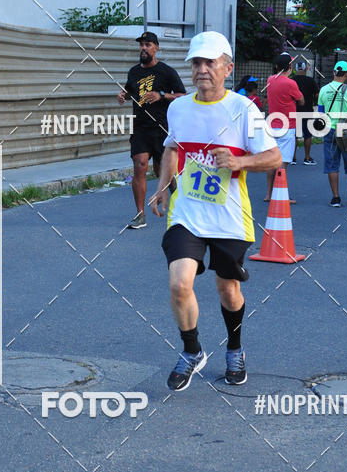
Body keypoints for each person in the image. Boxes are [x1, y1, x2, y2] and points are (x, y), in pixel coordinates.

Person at [149, 31, 281, 391]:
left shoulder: (244, 109)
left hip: (228, 216)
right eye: (196, 62)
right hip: (187, 213)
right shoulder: (178, 108)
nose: (202, 69)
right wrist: (162, 186)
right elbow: (172, 149)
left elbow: (274, 157)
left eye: (210, 62)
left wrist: (239, 160)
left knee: (228, 290)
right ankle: (192, 351)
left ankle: (235, 348)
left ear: (227, 68)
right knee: (179, 285)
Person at [118, 31, 186, 229]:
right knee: (139, 165)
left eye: (148, 45)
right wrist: (123, 95)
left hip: (161, 128)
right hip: (140, 127)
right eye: (141, 45)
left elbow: (182, 95)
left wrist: (162, 95)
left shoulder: (166, 71)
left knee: (161, 169)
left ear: (156, 48)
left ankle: (179, 201)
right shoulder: (133, 72)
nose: (143, 48)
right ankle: (140, 215)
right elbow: (131, 91)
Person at [317, 61, 347, 207]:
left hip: (330, 130)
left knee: (332, 165)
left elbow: (320, 112)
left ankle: (336, 198)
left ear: (334, 72)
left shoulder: (324, 90)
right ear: (346, 74)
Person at [265, 52, 303, 202]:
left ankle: (269, 194)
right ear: (290, 67)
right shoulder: (290, 83)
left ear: (276, 66)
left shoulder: (270, 80)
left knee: (270, 160)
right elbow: (301, 100)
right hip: (287, 125)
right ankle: (279, 195)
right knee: (283, 161)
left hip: (272, 124)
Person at [292, 60, 319, 165]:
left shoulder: (292, 81)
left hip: (294, 111)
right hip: (307, 111)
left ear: (295, 69)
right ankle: (307, 158)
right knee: (307, 135)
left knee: (295, 136)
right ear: (305, 69)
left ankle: (293, 158)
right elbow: (317, 95)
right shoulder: (310, 81)